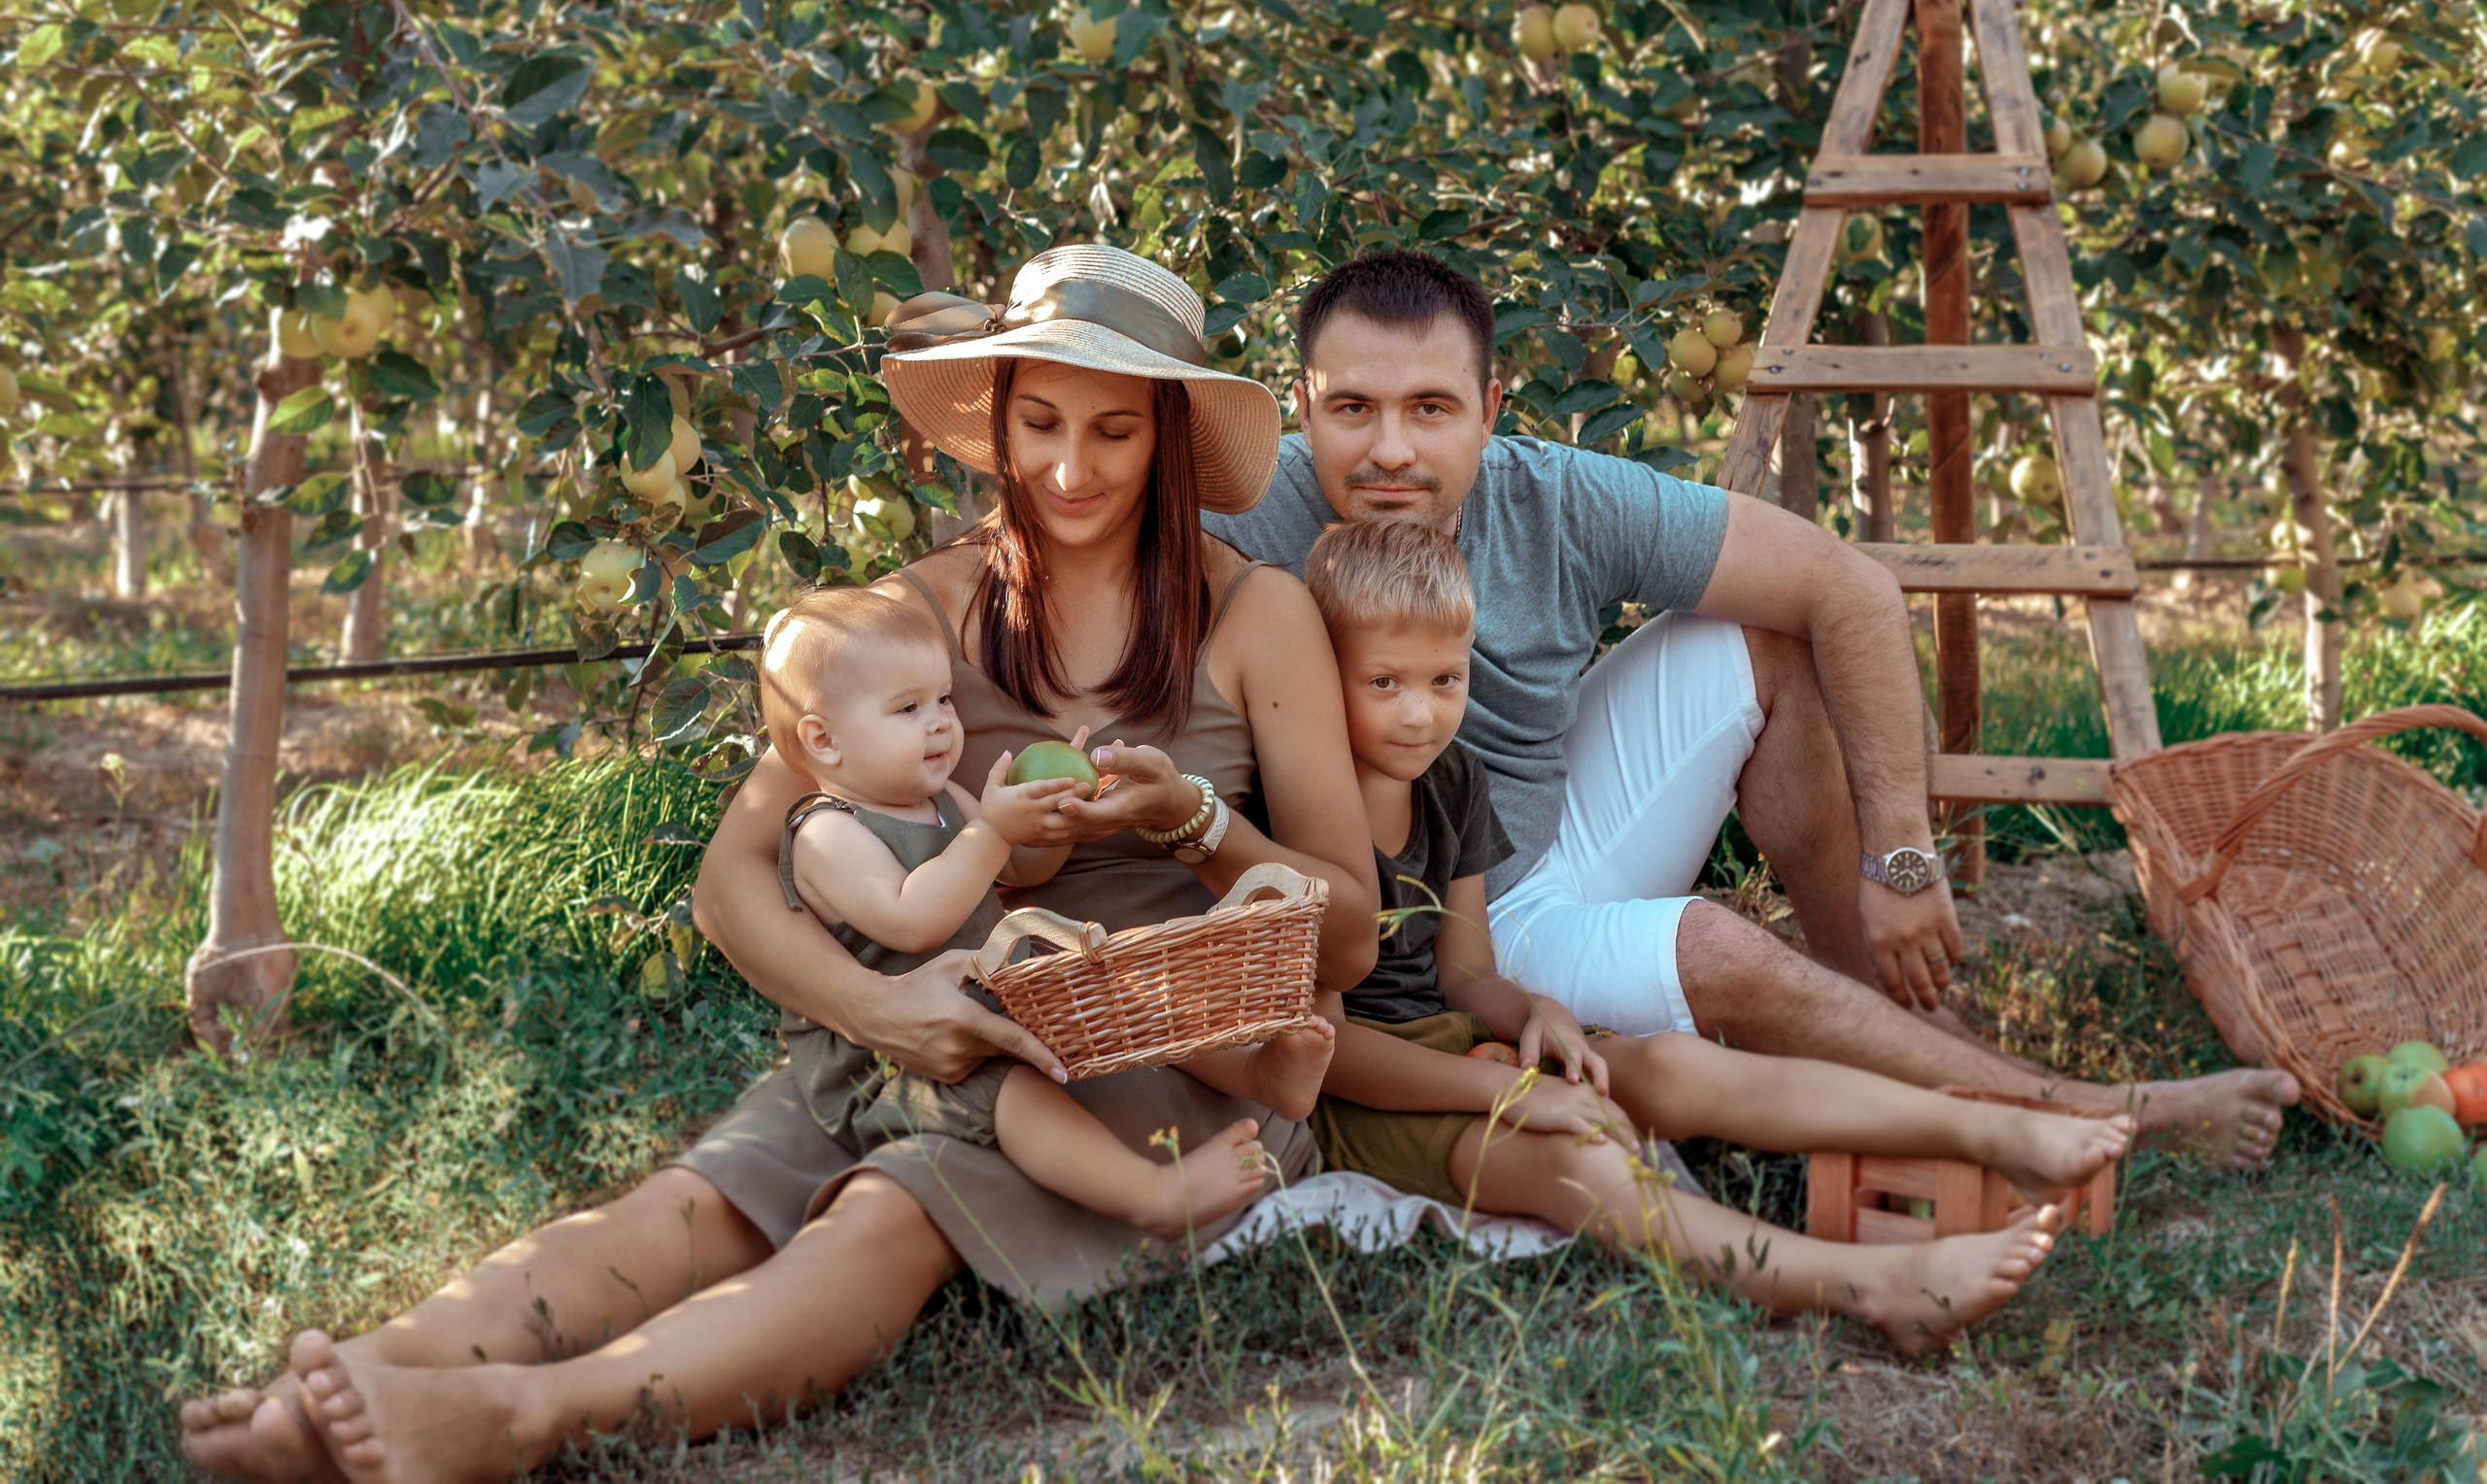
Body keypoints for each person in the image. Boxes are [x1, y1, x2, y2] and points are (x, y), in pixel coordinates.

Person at [179, 245, 1377, 1482]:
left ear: (1168, 438)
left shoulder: (1253, 616)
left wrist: (1187, 821)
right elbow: (731, 881)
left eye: (1114, 432)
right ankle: (357, 1384)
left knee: (892, 1207)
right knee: (694, 1200)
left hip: (1158, 1043)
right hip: (936, 1018)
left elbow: (1345, 938)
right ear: (998, 423)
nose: (1068, 469)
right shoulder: (922, 611)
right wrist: (884, 1009)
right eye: (1038, 423)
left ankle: (527, 1419)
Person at [1204, 249, 2299, 1165]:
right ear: (1303, 405)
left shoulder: (1560, 496)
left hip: (1536, 845)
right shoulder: (1246, 517)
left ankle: (1871, 1007)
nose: (1389, 448)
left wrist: (1902, 860)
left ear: (1491, 411)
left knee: (1768, 630)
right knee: (1717, 947)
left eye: (1430, 408)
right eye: (1352, 407)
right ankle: (2096, 1115)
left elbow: (1851, 589)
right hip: (1431, 926)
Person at [1301, 517, 2125, 1351]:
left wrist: (1530, 1012)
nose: (1419, 713)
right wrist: (1510, 1094)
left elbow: (1467, 971)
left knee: (1673, 1062)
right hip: (1371, 1100)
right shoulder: (1305, 814)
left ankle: (1996, 1129)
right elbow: (1333, 1049)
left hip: (1460, 1047)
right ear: (1320, 678)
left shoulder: (1453, 779)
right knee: (1577, 1162)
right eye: (1383, 682)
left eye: (1445, 679)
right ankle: (1879, 1287)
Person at [763, 586, 1330, 1242]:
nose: (942, 721)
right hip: (900, 1053)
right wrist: (992, 831)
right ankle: (1150, 1193)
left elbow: (1022, 874)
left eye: (944, 699)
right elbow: (911, 918)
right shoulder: (825, 832)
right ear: (823, 740)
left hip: (984, 992)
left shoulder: (942, 796)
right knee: (1015, 1094)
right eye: (909, 707)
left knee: (1122, 996)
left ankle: (1257, 1072)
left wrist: (1052, 816)